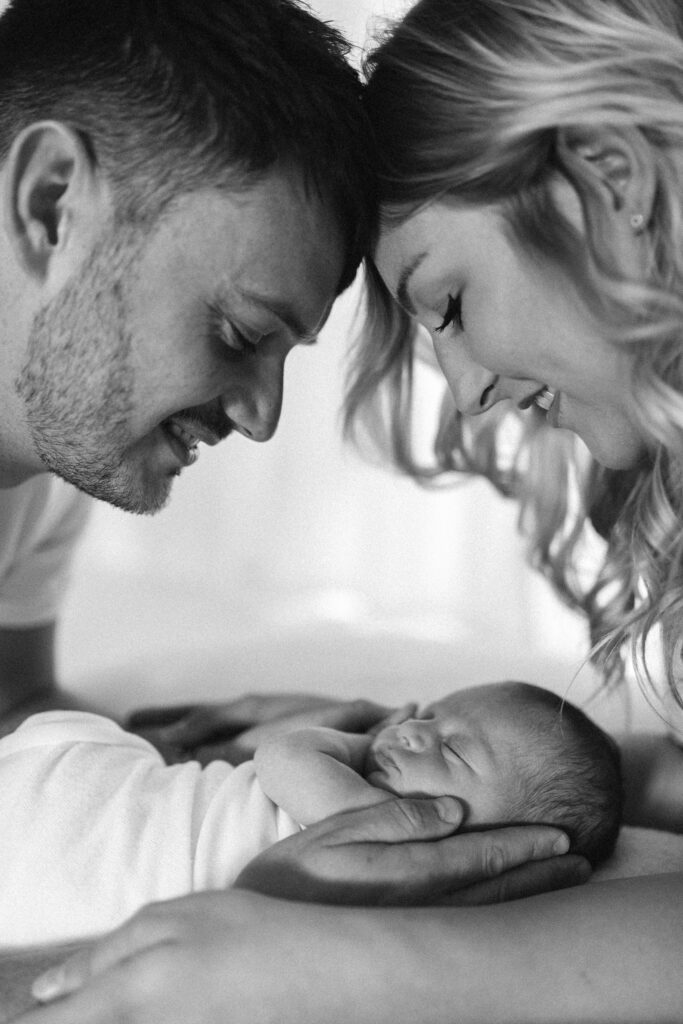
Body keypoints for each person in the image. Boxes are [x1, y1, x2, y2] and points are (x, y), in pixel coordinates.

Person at [21, 2, 683, 1022]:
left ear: (613, 181)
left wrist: (331, 928)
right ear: (48, 202)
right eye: (240, 329)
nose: (463, 397)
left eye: (450, 304)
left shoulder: (40, 468)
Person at [0, 0, 374, 733]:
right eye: (239, 333)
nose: (262, 419)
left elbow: (12, 710)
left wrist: (190, 767)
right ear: (50, 203)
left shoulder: (53, 456)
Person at [0, 681, 620, 946]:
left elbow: (284, 753)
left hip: (90, 826)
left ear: (509, 841)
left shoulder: (389, 852)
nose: (411, 730)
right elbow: (275, 758)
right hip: (102, 793)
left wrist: (351, 740)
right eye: (427, 714)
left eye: (453, 747)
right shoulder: (359, 811)